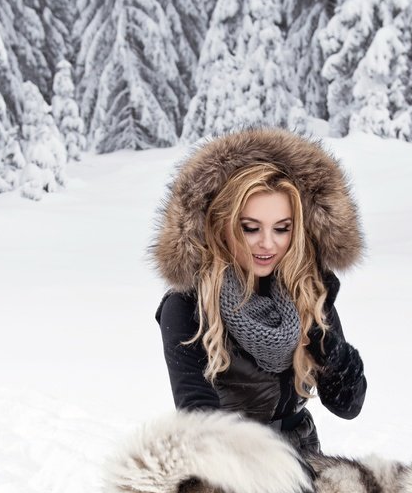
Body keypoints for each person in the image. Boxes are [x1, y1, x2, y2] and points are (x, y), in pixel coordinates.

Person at [152, 127, 366, 455]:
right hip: (232, 469)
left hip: (306, 459)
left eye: (282, 229)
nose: (267, 243)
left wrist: (326, 344)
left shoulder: (308, 293)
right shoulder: (188, 306)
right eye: (250, 228)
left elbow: (347, 405)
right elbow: (200, 421)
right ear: (220, 225)